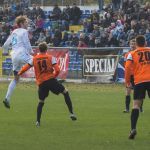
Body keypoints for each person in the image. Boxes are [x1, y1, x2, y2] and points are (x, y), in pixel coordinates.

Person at [18, 42, 77, 127]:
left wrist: (19, 73)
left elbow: (26, 67)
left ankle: (38, 121)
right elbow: (57, 70)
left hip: (41, 83)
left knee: (41, 101)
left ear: (39, 49)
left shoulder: (34, 59)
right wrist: (54, 77)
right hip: (51, 80)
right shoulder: (50, 57)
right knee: (65, 92)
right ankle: (71, 113)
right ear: (46, 49)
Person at [2, 15, 33, 108]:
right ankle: (51, 78)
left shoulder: (14, 32)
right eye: (26, 22)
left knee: (16, 78)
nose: (27, 24)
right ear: (22, 23)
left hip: (14, 55)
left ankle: (7, 98)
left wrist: (5, 52)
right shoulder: (24, 31)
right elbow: (27, 43)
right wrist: (31, 51)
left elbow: (6, 44)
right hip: (22, 53)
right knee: (36, 61)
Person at [125, 35, 150, 139]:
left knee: (136, 105)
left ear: (136, 44)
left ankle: (133, 129)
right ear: (145, 43)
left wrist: (127, 81)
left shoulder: (132, 53)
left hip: (139, 81)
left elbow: (127, 67)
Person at [123, 39, 143, 113]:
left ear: (136, 44)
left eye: (134, 43)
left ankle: (140, 108)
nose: (132, 45)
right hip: (130, 76)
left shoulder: (139, 53)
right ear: (129, 45)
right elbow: (126, 65)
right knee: (128, 92)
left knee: (139, 93)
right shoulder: (127, 54)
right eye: (131, 43)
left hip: (137, 75)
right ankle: (127, 109)